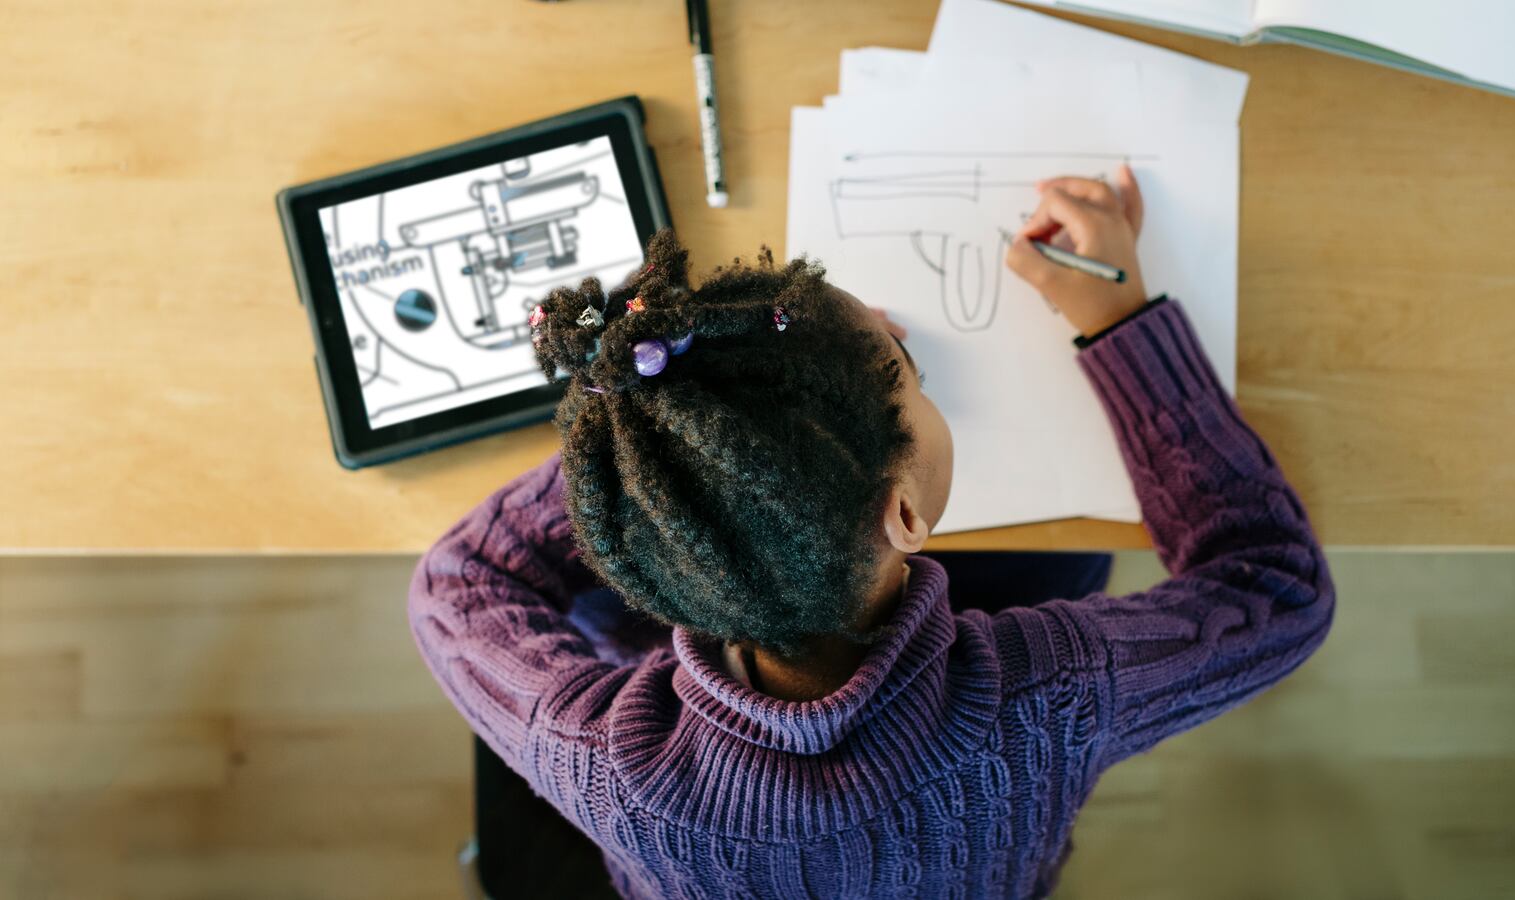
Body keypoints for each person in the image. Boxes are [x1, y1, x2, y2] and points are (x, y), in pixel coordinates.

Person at [409, 164, 1336, 899]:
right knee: (1069, 556)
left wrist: (657, 449)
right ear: (904, 514)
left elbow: (455, 583)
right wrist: (1123, 324)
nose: (918, 377)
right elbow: (1276, 589)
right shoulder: (1046, 697)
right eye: (912, 379)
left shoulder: (601, 759)